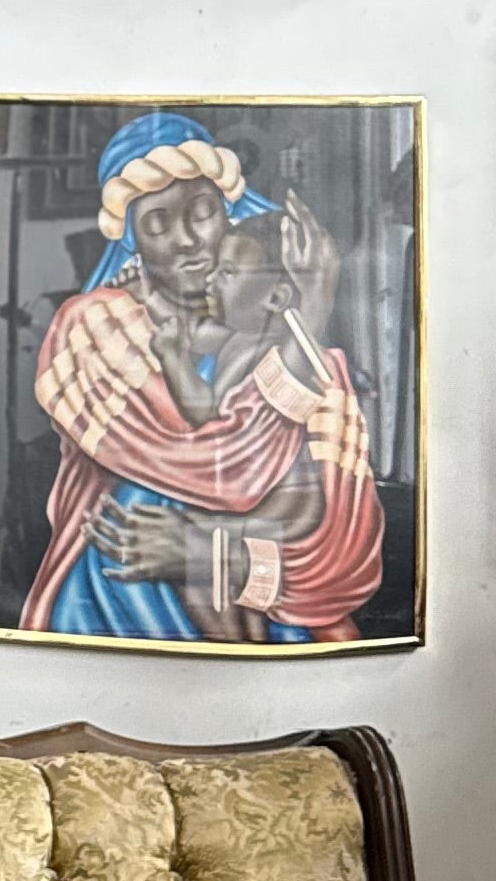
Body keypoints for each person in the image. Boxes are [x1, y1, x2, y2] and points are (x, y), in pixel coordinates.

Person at [19, 114, 385, 642]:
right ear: (132, 239)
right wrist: (309, 314)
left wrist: (209, 551)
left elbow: (338, 534)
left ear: (228, 215)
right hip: (120, 589)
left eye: (203, 213)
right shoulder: (94, 327)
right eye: (157, 224)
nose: (189, 240)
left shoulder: (278, 330)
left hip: (262, 608)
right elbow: (225, 467)